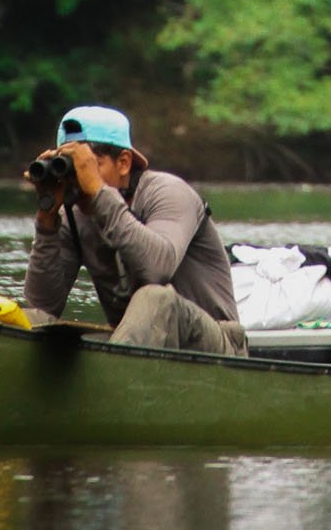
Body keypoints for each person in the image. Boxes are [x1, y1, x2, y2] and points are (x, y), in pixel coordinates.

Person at [23, 103, 246, 355]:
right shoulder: (74, 216)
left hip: (215, 347)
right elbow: (42, 303)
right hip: (135, 349)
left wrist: (99, 194)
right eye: (73, 170)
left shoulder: (168, 193)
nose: (80, 181)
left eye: (89, 167)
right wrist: (47, 220)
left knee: (155, 298)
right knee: (33, 319)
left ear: (124, 163)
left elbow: (156, 269)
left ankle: (113, 384)